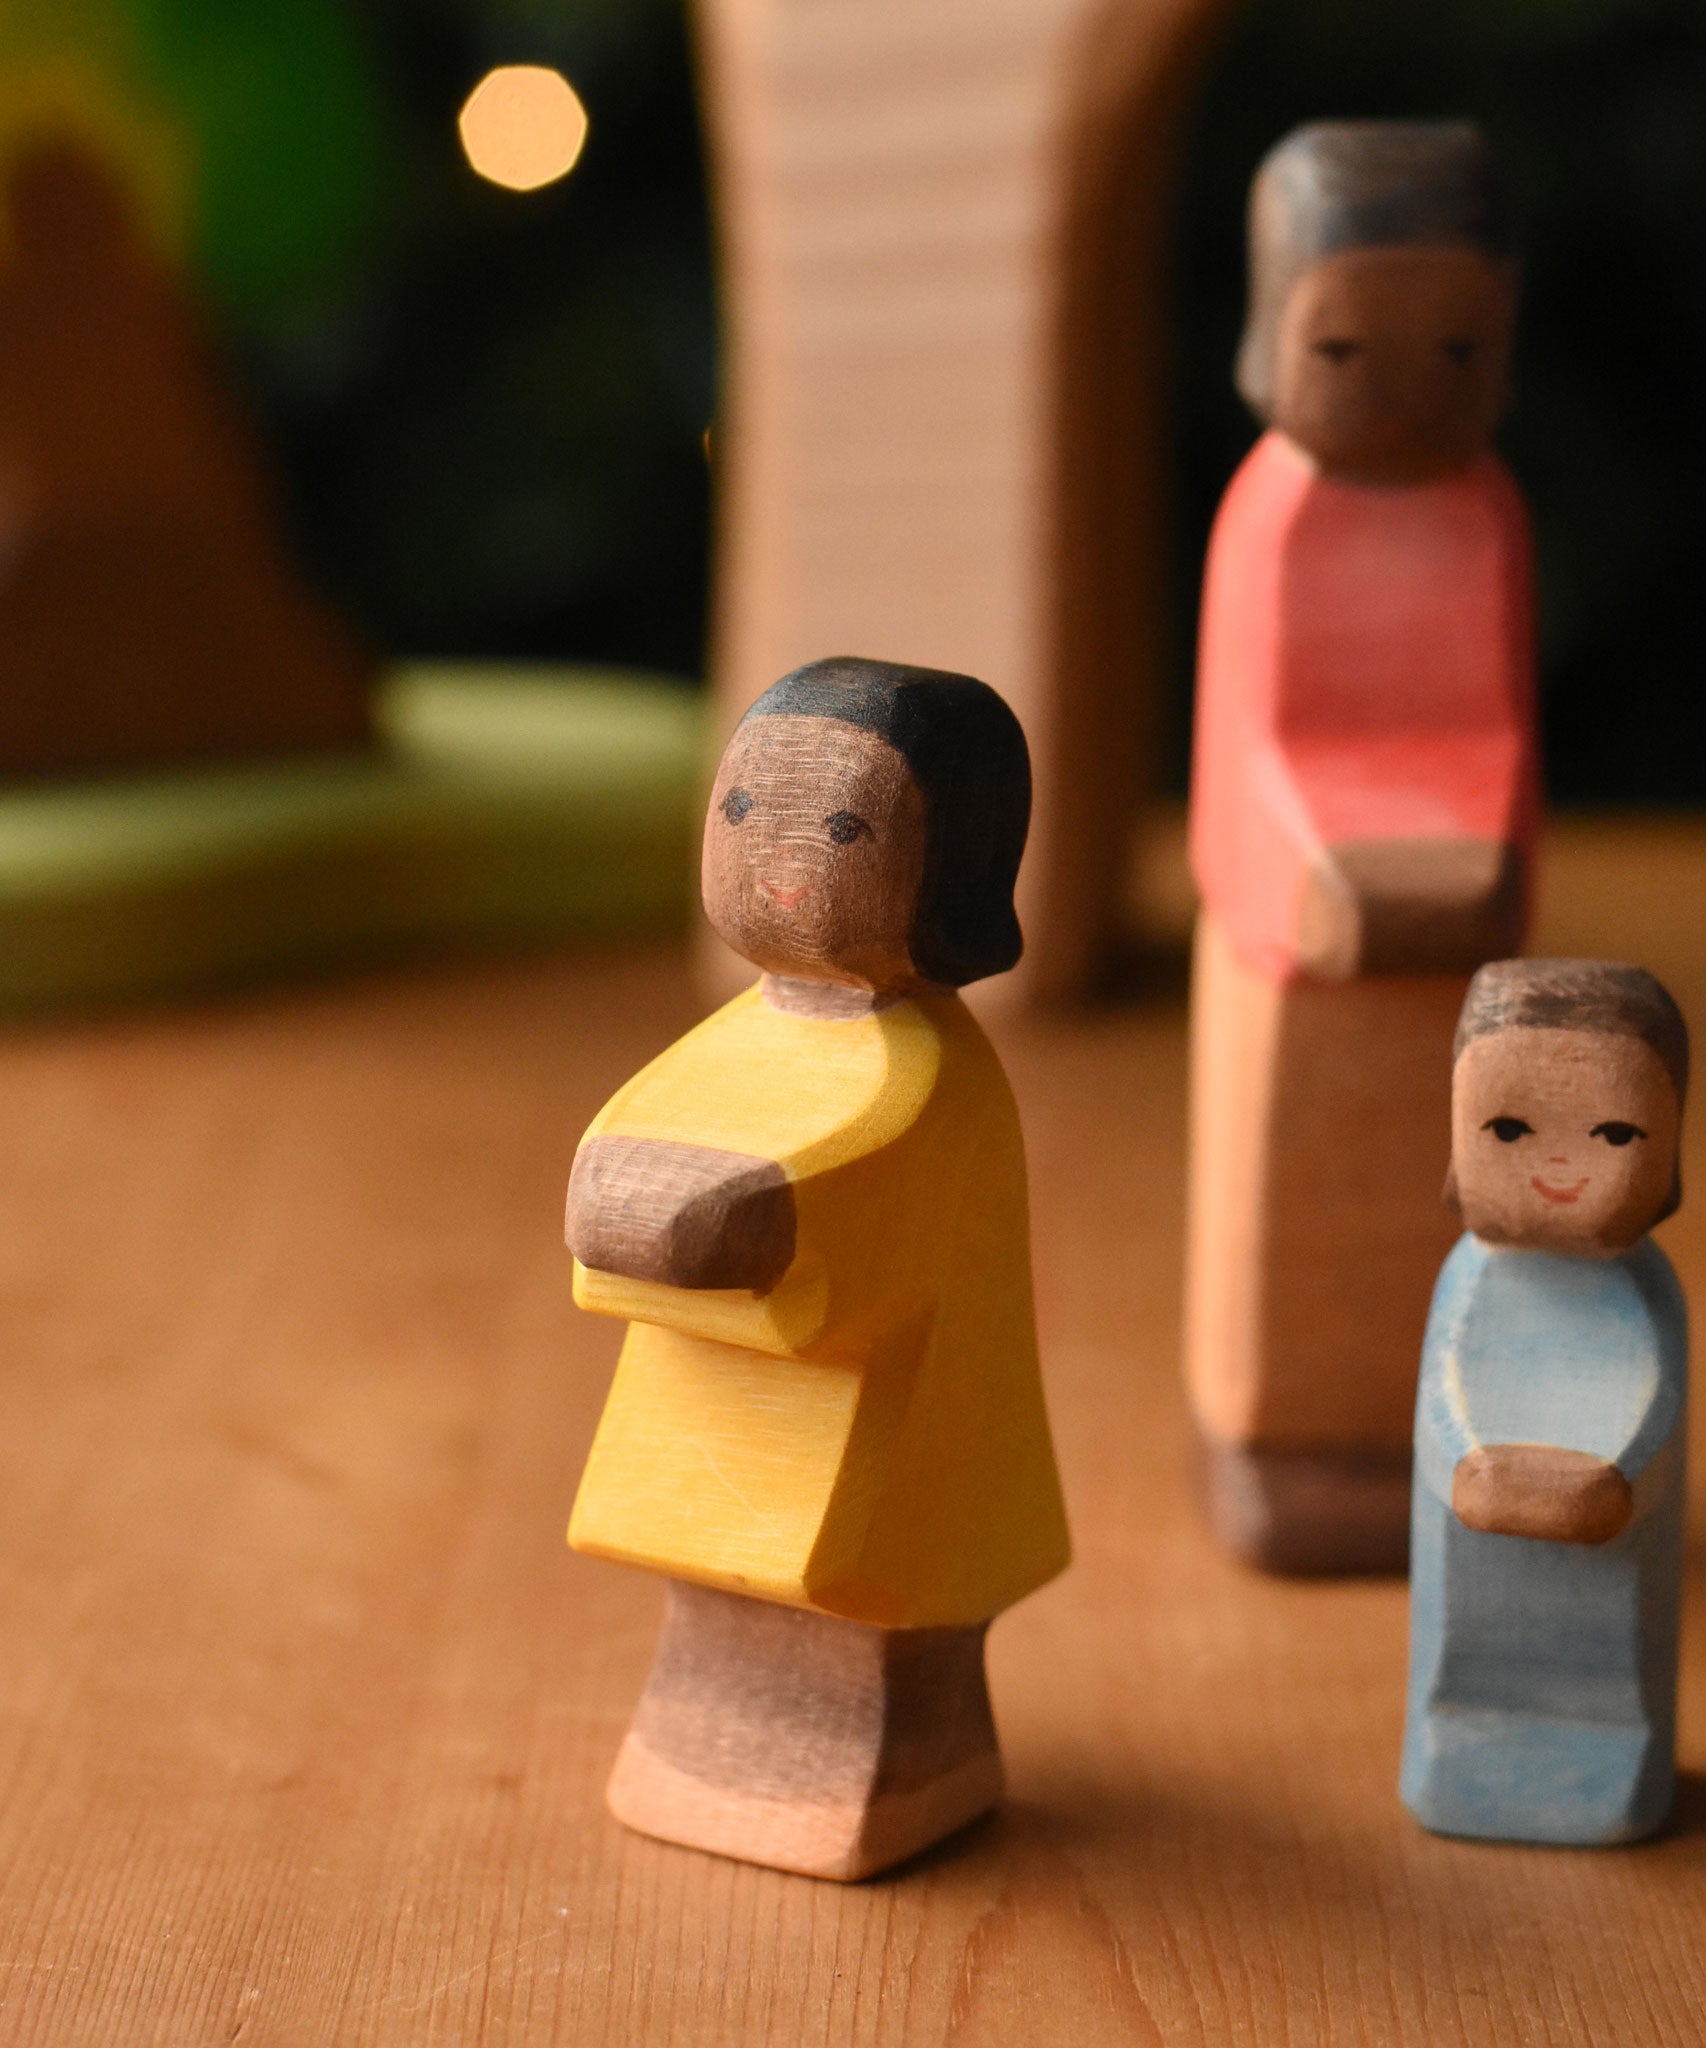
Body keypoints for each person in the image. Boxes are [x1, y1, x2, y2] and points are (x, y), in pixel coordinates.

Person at [564, 655, 1070, 1879]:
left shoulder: (928, 1075)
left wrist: (747, 1217)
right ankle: (702, 1759)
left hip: (890, 1430)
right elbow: (625, 1146)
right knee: (715, 1607)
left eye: (844, 824)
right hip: (719, 1418)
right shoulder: (739, 1032)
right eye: (740, 809)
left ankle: (903, 1777)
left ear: (945, 863)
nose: (772, 851)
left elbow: (861, 1184)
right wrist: (627, 1198)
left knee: (863, 1630)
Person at [1185, 122, 1539, 1572]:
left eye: (1456, 355)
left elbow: (1498, 724)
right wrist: (1319, 876)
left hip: (1452, 933)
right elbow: (1250, 745)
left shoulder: (1482, 515)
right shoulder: (1275, 515)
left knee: (1451, 1210)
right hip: (1297, 938)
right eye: (1349, 354)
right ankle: (1278, 1441)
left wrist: (1491, 852)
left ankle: (1434, 1440)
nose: (1404, 392)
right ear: (1273, 337)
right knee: (1289, 1243)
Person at [1403, 958, 1689, 1843]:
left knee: (1607, 1678)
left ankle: (1605, 1773)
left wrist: (1616, 1480)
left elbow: (1659, 1410)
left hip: (1609, 1553)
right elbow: (1442, 1402)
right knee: (1467, 1674)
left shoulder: (1643, 1291)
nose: (1562, 1164)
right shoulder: (1472, 1279)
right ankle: (1462, 1761)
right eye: (1512, 1128)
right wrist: (1471, 1469)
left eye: (1614, 1134)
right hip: (1478, 1550)